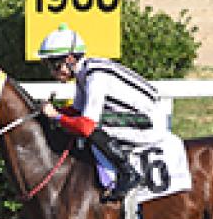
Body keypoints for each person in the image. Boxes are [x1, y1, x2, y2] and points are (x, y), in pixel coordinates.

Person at [37, 24, 162, 202]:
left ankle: (129, 173)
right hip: (134, 114)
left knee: (92, 126)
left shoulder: (95, 77)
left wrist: (56, 116)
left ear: (71, 59)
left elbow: (86, 125)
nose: (53, 72)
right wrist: (52, 112)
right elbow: (76, 110)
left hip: (149, 120)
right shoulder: (84, 74)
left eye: (56, 65)